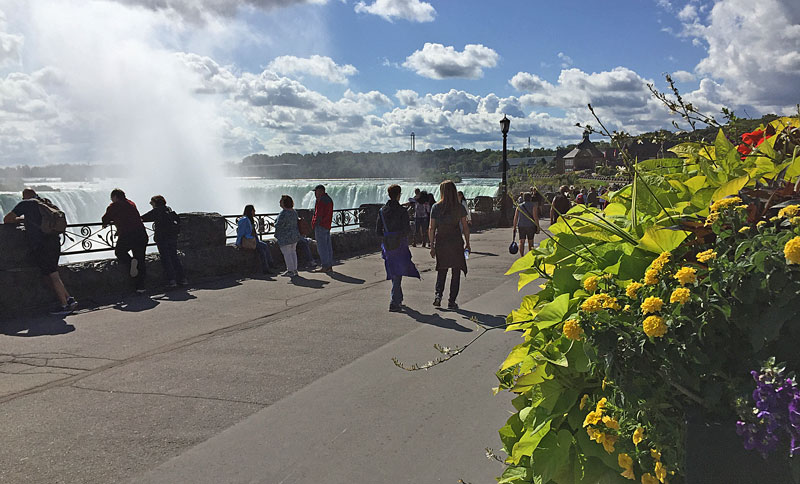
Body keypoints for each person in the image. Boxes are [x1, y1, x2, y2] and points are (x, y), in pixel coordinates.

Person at [3, 188, 78, 314]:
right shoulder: (45, 202)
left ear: (25, 196)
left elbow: (7, 219)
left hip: (42, 245)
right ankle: (69, 300)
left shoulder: (26, 204)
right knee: (53, 273)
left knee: (52, 275)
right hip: (55, 241)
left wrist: (21, 220)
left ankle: (65, 306)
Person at [376, 184, 420, 312]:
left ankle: (397, 298)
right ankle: (394, 301)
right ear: (398, 195)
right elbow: (407, 229)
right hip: (400, 243)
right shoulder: (402, 211)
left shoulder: (382, 211)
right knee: (398, 271)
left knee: (393, 270)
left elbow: (378, 231)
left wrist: (387, 235)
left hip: (387, 244)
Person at [428, 180, 470, 310]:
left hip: (441, 241)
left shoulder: (436, 207)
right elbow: (465, 226)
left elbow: (431, 228)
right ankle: (452, 301)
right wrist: (468, 243)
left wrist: (432, 246)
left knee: (442, 270)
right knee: (456, 271)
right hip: (456, 241)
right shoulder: (459, 207)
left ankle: (438, 296)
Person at [102, 188, 148, 293]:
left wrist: (105, 223)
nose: (111, 200)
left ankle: (131, 261)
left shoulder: (114, 206)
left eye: (111, 198)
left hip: (127, 234)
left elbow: (106, 218)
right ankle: (141, 287)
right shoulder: (131, 203)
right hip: (141, 233)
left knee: (120, 252)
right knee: (140, 259)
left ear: (115, 197)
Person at [141, 195, 186, 287]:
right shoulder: (168, 209)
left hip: (162, 237)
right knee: (174, 257)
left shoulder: (157, 211)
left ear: (156, 203)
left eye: (152, 202)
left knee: (166, 258)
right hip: (172, 236)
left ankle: (171, 280)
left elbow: (143, 218)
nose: (150, 203)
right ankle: (182, 279)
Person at [235, 204, 277, 275]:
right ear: (250, 211)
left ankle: (268, 266)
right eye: (254, 210)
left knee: (263, 248)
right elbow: (241, 232)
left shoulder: (249, 219)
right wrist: (238, 243)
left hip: (253, 240)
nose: (255, 212)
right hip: (249, 241)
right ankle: (268, 267)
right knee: (263, 248)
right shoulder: (245, 220)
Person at [275, 195, 301, 277]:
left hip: (285, 237)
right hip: (294, 235)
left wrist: (274, 224)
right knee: (293, 252)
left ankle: (290, 270)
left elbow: (279, 225)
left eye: (281, 200)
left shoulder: (283, 213)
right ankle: (294, 269)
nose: (279, 202)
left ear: (284, 203)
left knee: (287, 253)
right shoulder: (293, 212)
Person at [312, 184, 334, 272]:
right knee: (328, 246)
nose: (315, 194)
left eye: (316, 191)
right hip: (327, 225)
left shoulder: (321, 201)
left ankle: (325, 266)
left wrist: (314, 224)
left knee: (322, 247)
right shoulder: (329, 199)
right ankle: (329, 265)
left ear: (321, 191)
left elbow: (319, 214)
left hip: (321, 225)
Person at [513, 192, 539, 257]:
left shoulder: (519, 206)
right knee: (530, 242)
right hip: (531, 226)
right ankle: (530, 256)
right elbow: (535, 217)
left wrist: (514, 227)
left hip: (521, 225)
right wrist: (538, 226)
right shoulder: (533, 206)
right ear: (530, 198)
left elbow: (515, 217)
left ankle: (522, 256)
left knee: (521, 241)